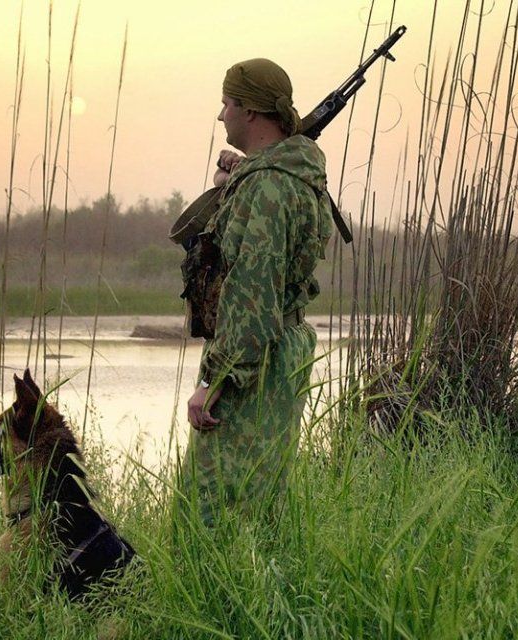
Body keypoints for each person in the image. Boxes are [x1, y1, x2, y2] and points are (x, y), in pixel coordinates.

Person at [180, 58, 333, 526]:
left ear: (249, 112)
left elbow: (252, 296)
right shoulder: (285, 178)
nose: (221, 114)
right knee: (260, 502)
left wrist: (214, 383)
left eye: (227, 103)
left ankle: (214, 599)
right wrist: (233, 185)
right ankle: (261, 595)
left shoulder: (267, 187)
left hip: (253, 363)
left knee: (214, 511)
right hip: (278, 354)